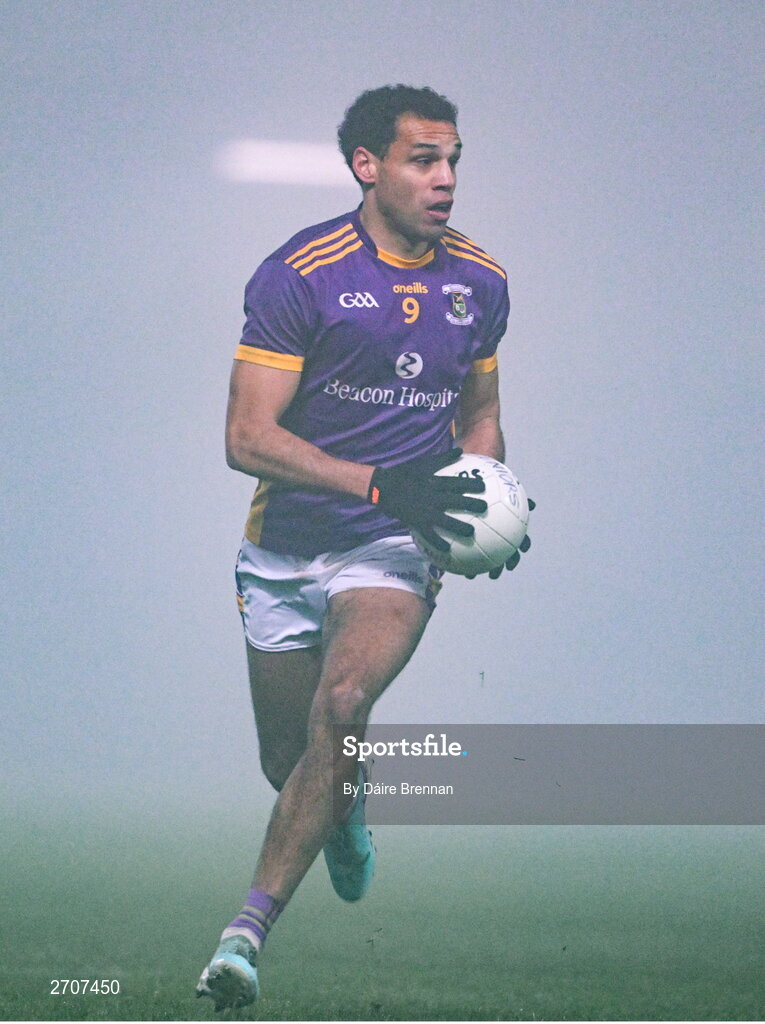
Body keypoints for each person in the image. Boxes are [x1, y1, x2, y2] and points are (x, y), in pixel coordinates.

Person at [196, 84, 532, 1010]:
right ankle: (344, 810)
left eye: (452, 159)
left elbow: (481, 414)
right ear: (366, 166)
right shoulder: (299, 274)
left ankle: (242, 937)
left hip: (393, 546)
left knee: (343, 703)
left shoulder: (481, 282)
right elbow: (246, 439)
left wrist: (482, 501)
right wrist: (381, 481)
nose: (445, 178)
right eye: (424, 160)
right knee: (292, 762)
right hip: (284, 548)